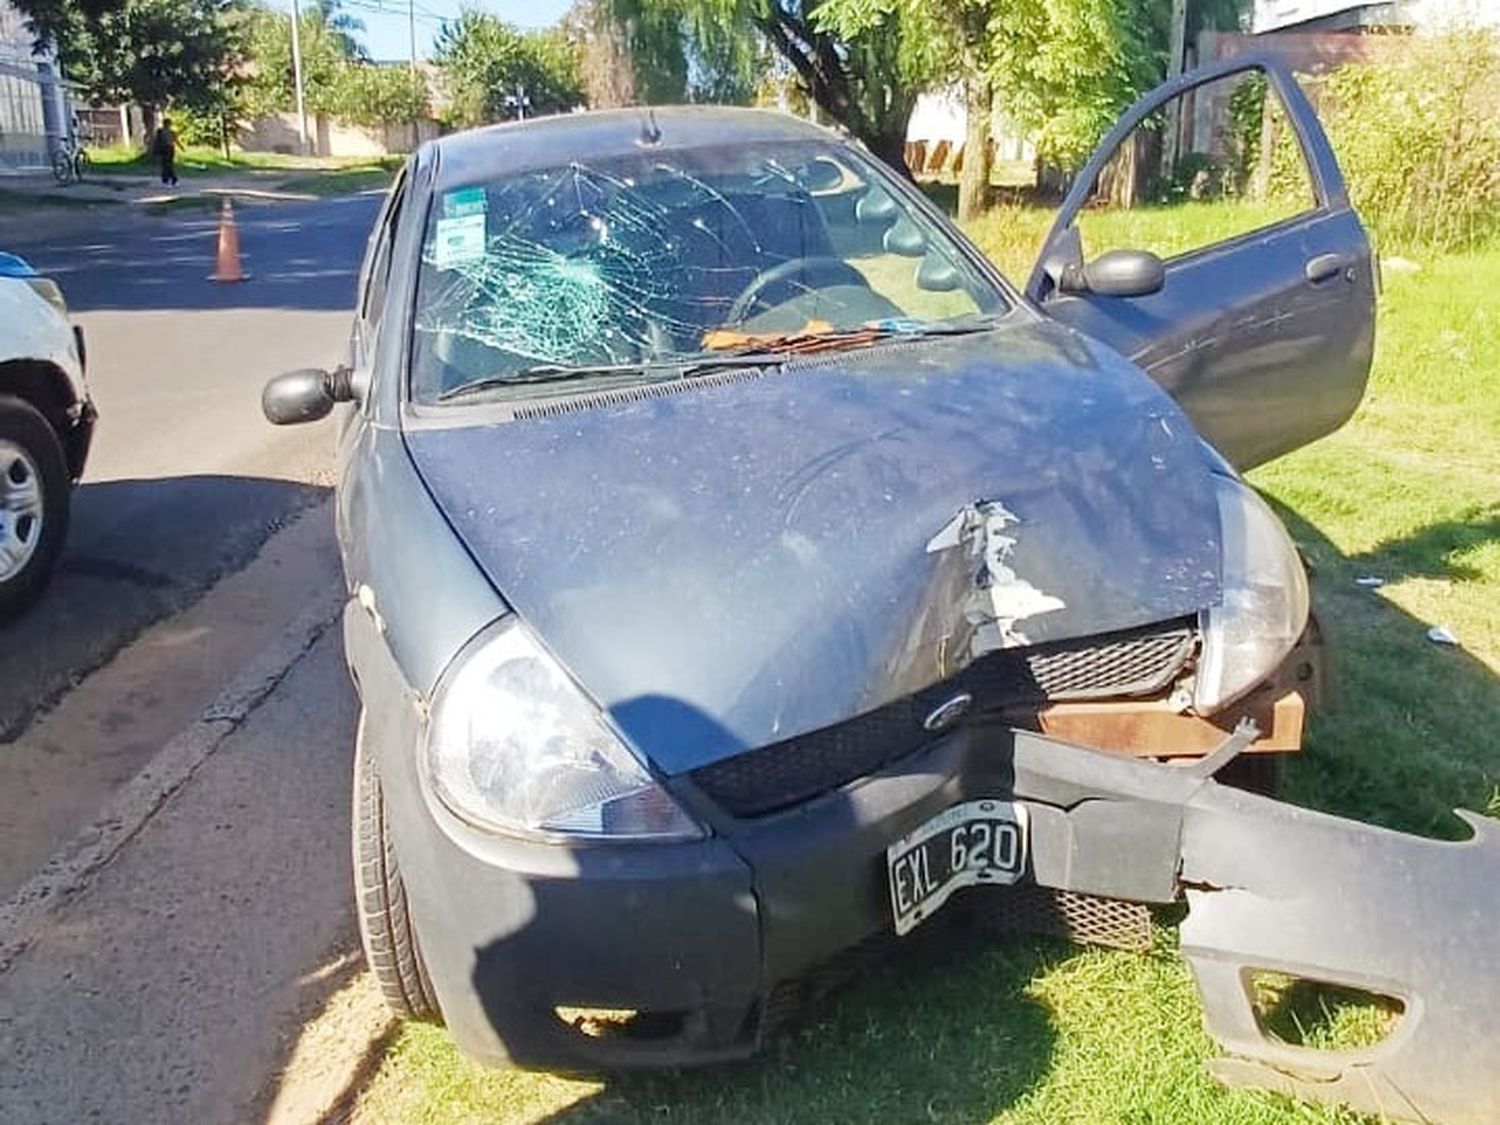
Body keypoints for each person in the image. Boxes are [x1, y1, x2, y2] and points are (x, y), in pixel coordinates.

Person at [151, 118, 178, 186]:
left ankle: (169, 178)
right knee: (165, 165)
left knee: (167, 165)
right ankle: (168, 178)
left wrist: (180, 147)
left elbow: (175, 140)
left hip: (169, 149)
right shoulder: (160, 132)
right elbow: (157, 141)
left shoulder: (171, 132)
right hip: (164, 149)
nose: (167, 125)